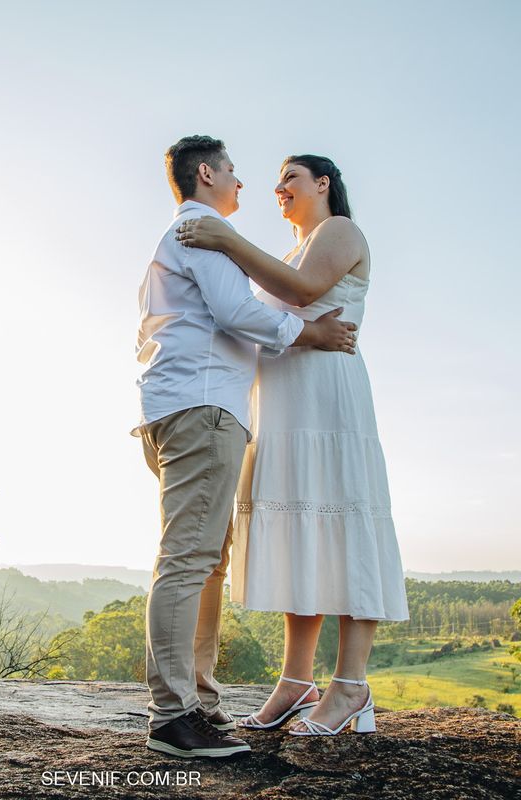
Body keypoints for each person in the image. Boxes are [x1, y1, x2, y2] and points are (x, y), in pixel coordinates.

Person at [134, 137, 358, 758]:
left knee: (203, 561)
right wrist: (310, 332)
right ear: (205, 173)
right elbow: (236, 312)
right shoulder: (200, 227)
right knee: (189, 560)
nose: (243, 182)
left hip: (192, 408)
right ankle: (174, 716)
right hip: (202, 411)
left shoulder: (196, 232)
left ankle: (198, 702)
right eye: (232, 170)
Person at [175, 154, 409, 737]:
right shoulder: (282, 254)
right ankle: (297, 680)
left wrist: (226, 238)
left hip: (329, 405)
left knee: (347, 528)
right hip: (283, 408)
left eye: (291, 178)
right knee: (302, 535)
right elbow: (258, 320)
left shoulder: (340, 231)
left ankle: (351, 685)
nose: (278, 188)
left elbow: (306, 290)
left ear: (323, 184)